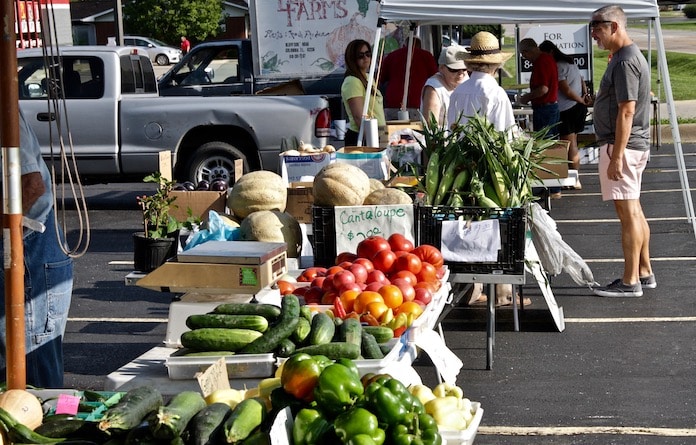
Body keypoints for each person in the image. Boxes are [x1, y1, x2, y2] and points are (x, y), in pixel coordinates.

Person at [0, 110, 74, 387]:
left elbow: (31, 185)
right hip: (28, 246)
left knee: (33, 371)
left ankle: (58, 424)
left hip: (32, 250)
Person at [589, 5, 654, 297]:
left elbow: (626, 111)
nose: (593, 34)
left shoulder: (626, 60)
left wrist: (616, 157)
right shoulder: (625, 57)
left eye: (598, 27)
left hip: (623, 147)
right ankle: (644, 272)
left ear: (615, 26)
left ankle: (630, 283)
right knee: (634, 212)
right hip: (627, 146)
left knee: (628, 213)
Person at [539, 40, 592, 189]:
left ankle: (574, 179)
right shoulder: (570, 62)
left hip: (567, 109)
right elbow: (581, 80)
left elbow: (566, 90)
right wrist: (584, 95)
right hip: (576, 108)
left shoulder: (558, 65)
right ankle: (572, 178)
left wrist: (580, 99)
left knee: (567, 145)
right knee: (571, 142)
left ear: (550, 52)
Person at [518, 37, 562, 198]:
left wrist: (526, 98)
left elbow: (543, 89)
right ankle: (551, 186)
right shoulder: (546, 60)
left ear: (527, 51)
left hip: (545, 109)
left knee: (546, 147)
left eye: (524, 55)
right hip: (549, 108)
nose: (525, 59)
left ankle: (552, 188)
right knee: (549, 147)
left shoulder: (542, 62)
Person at [447, 31, 516, 132]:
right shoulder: (495, 93)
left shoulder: (458, 91)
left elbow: (451, 128)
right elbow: (505, 133)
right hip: (487, 147)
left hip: (459, 147)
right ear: (496, 64)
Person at [341, 39, 386, 146]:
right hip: (362, 137)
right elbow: (358, 116)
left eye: (368, 54)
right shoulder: (352, 81)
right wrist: (371, 142)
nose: (366, 58)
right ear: (352, 58)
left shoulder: (368, 77)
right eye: (360, 55)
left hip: (377, 133)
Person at [380, 37, 438, 120]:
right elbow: (435, 78)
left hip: (394, 103)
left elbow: (382, 78)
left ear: (404, 45)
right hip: (418, 102)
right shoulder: (426, 56)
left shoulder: (392, 56)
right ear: (420, 46)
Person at [420, 44, 469, 129]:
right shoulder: (434, 88)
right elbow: (431, 126)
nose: (461, 73)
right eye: (454, 69)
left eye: (465, 68)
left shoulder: (466, 80)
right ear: (441, 68)